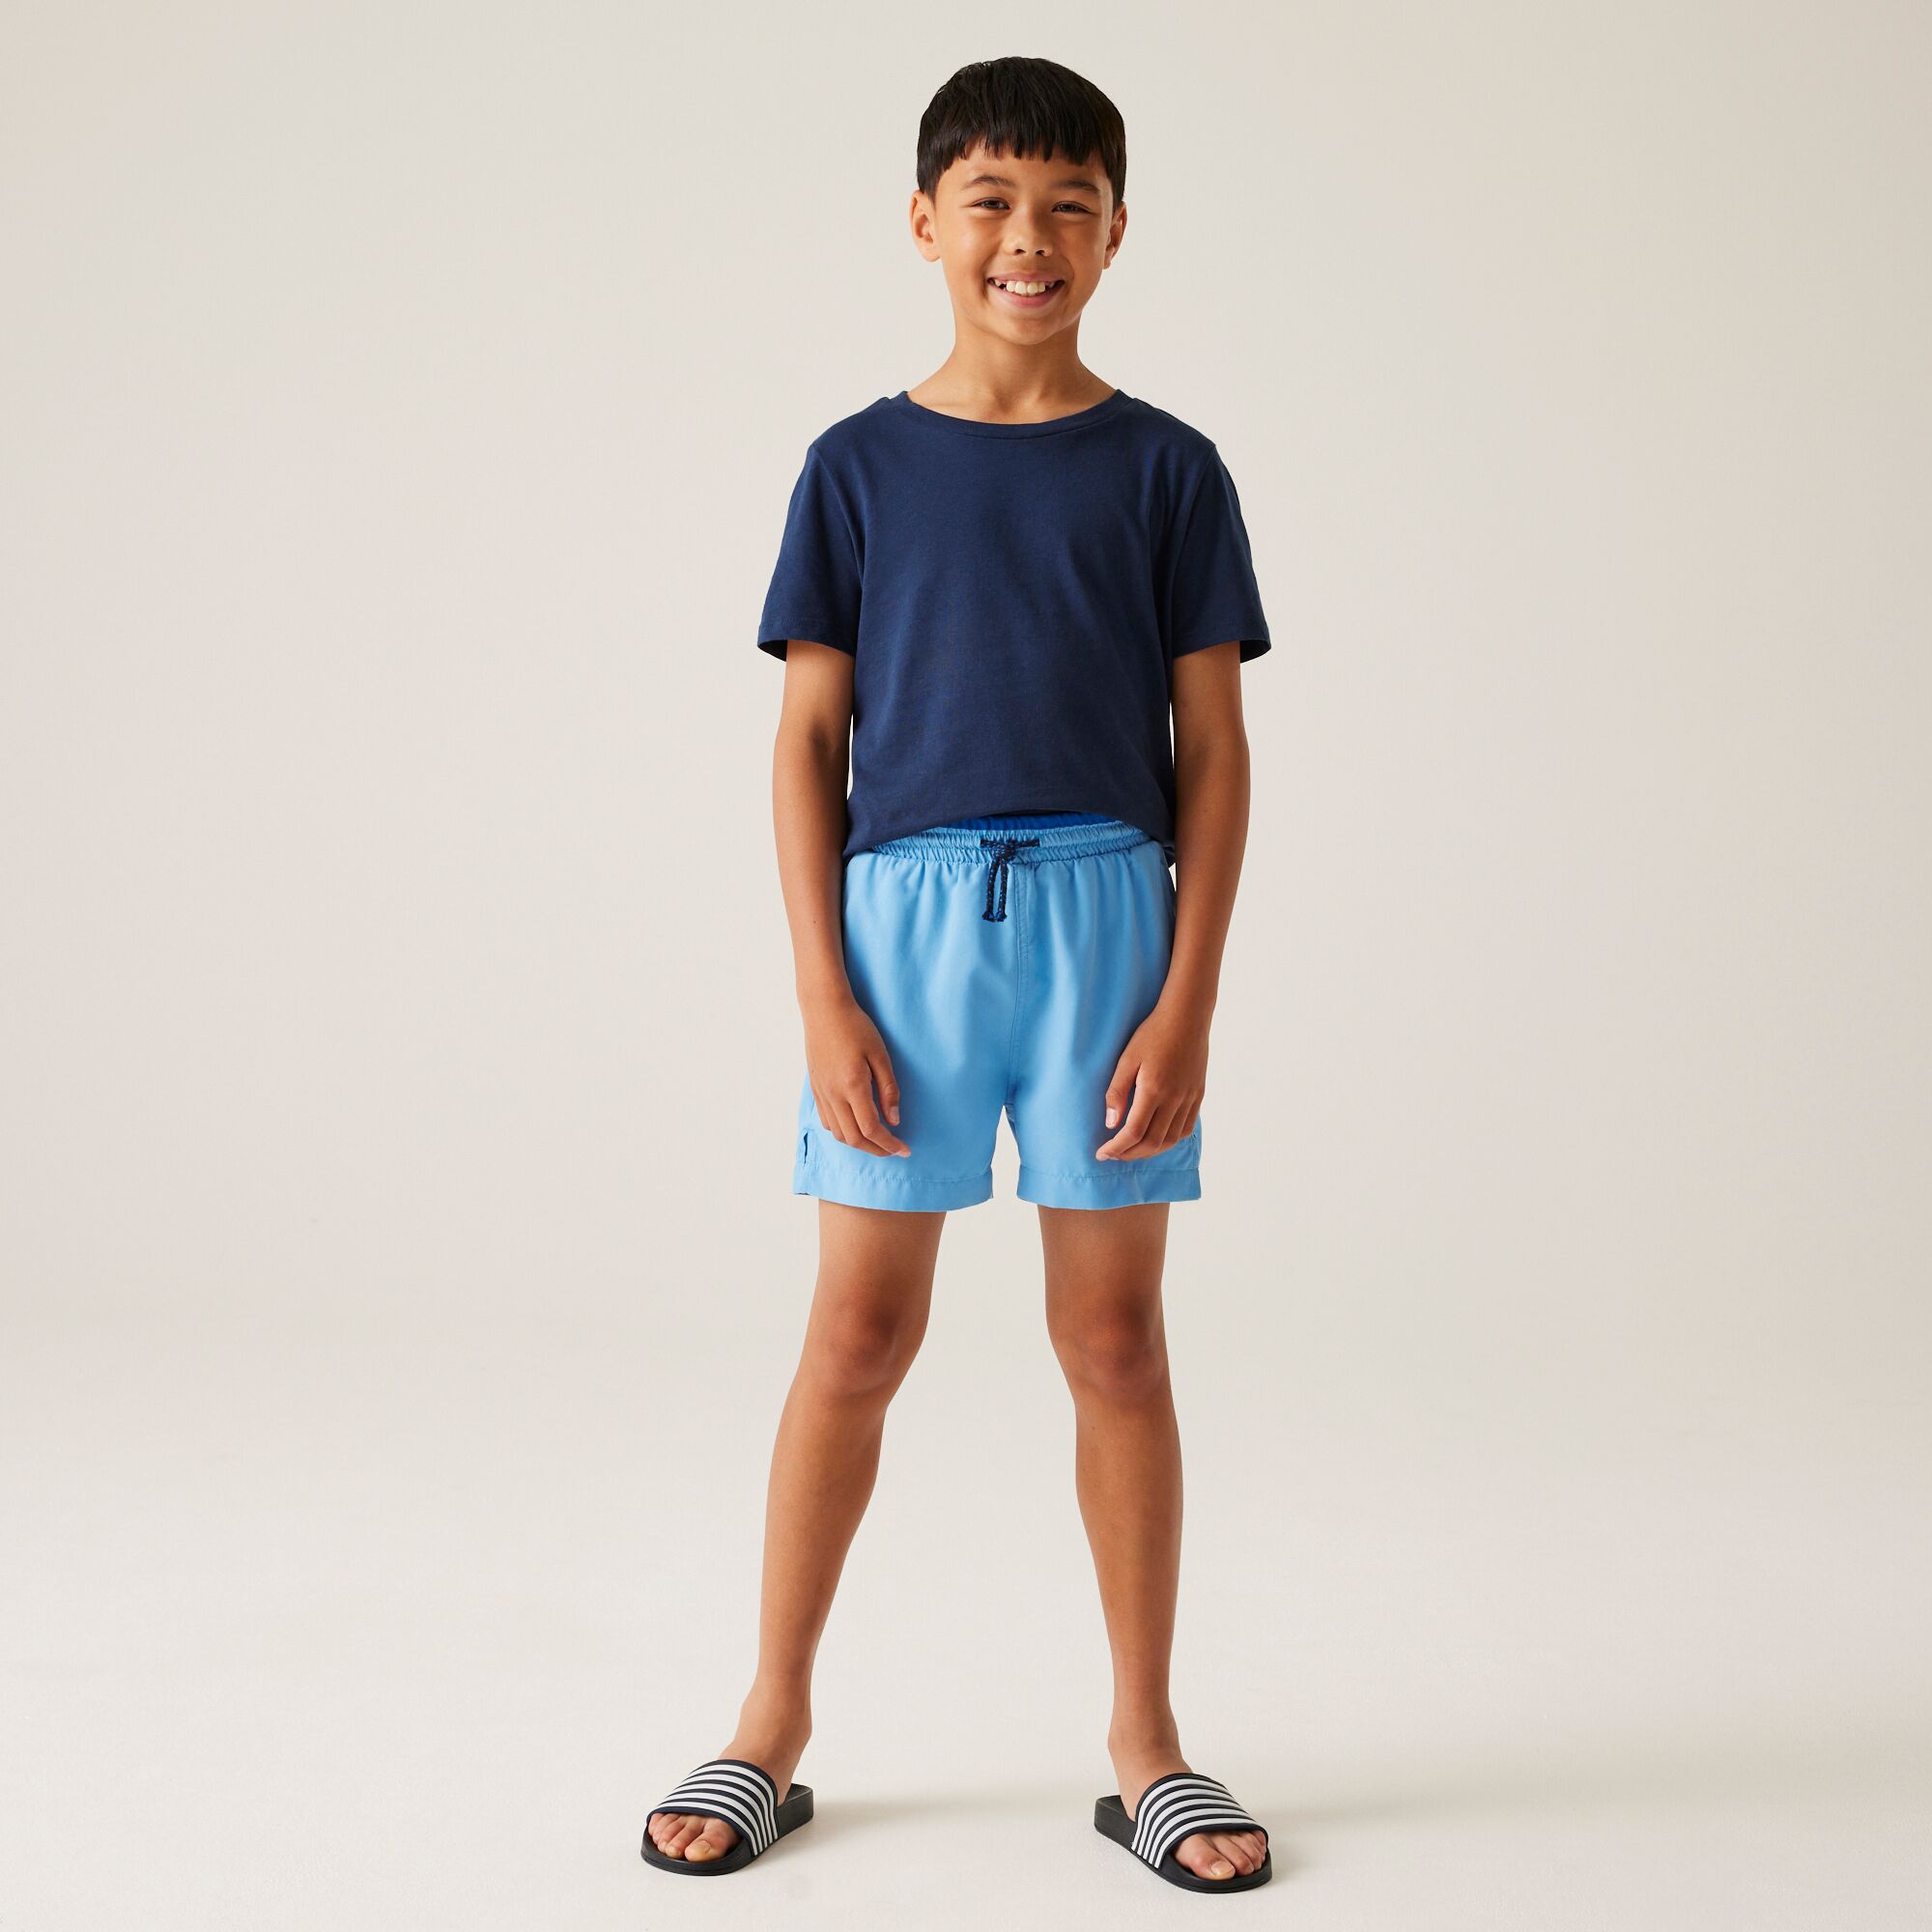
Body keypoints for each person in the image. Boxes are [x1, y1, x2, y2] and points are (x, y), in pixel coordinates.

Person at [642, 55, 1275, 1892]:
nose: (1028, 237)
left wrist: (1189, 995)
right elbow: (805, 741)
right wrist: (823, 993)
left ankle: (1147, 1743)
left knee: (1115, 1340)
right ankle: (771, 1718)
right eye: (992, 200)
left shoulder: (1169, 470)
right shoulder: (855, 467)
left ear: (1118, 233)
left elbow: (1216, 752)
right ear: (926, 222)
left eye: (1069, 205)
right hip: (902, 931)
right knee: (857, 1333)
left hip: (1108, 923)